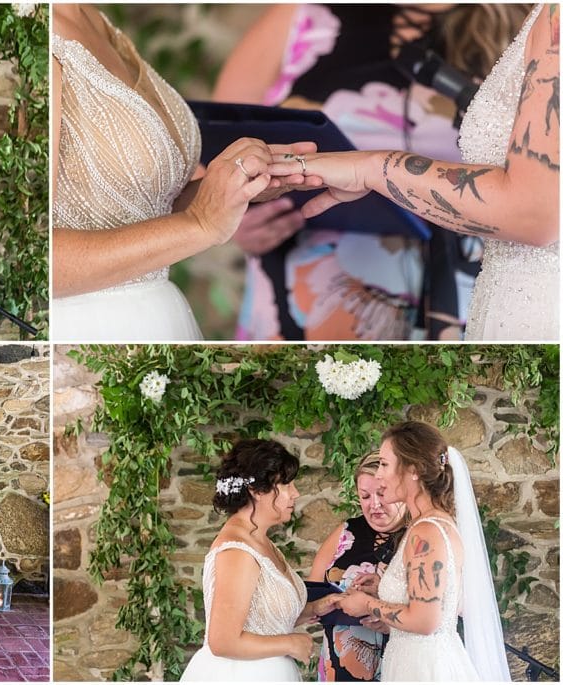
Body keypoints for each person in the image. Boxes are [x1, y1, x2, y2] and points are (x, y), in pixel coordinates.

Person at [215, 5, 530, 341]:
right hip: (304, 290)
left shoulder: (535, 27)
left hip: (468, 292)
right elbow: (220, 149)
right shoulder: (302, 14)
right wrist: (236, 219)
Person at [50, 4, 320, 341]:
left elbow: (141, 208)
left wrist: (228, 188)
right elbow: (39, 263)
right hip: (90, 327)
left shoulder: (89, 15)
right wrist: (200, 225)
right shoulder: (39, 38)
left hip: (157, 316)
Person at [334, 422, 510, 680]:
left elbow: (426, 621)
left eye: (384, 464)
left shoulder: (426, 532)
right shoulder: (431, 523)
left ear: (413, 469)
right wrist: (384, 587)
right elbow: (441, 600)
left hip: (424, 669)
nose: (379, 475)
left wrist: (367, 604)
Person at [181, 440, 337, 681]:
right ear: (257, 491)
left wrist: (315, 609)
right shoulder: (237, 551)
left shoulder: (260, 541)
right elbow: (223, 641)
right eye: (285, 484)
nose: (295, 493)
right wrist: (290, 644)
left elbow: (263, 620)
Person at [307, 452, 408, 682]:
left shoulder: (420, 537)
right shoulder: (345, 533)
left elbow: (442, 614)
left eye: (382, 494)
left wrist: (390, 621)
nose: (374, 505)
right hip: (338, 668)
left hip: (397, 666)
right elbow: (311, 597)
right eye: (365, 496)